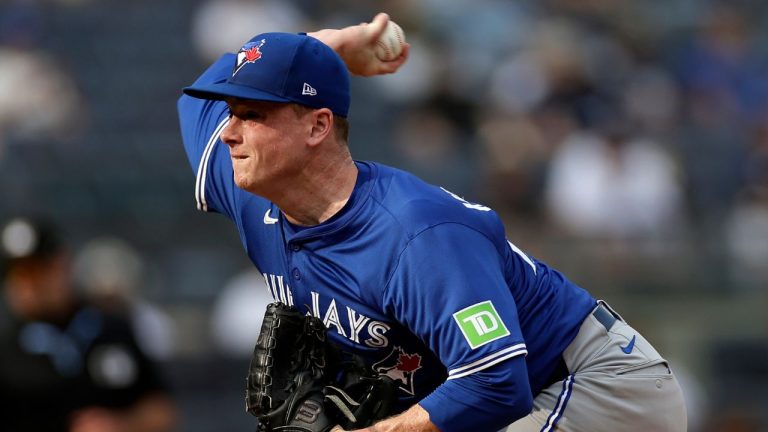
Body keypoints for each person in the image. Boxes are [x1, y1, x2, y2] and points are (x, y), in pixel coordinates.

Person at [177, 13, 687, 431]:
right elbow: (191, 105)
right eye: (232, 113)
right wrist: (328, 46)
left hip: (590, 384)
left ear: (317, 126)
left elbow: (496, 382)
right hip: (509, 396)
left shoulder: (416, 234)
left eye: (252, 114)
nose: (229, 133)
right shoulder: (255, 189)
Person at [0, 217, 176, 432]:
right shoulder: (7, 352)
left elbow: (162, 410)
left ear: (62, 264)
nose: (28, 286)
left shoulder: (110, 329)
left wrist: (121, 424)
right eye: (17, 275)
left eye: (36, 271)